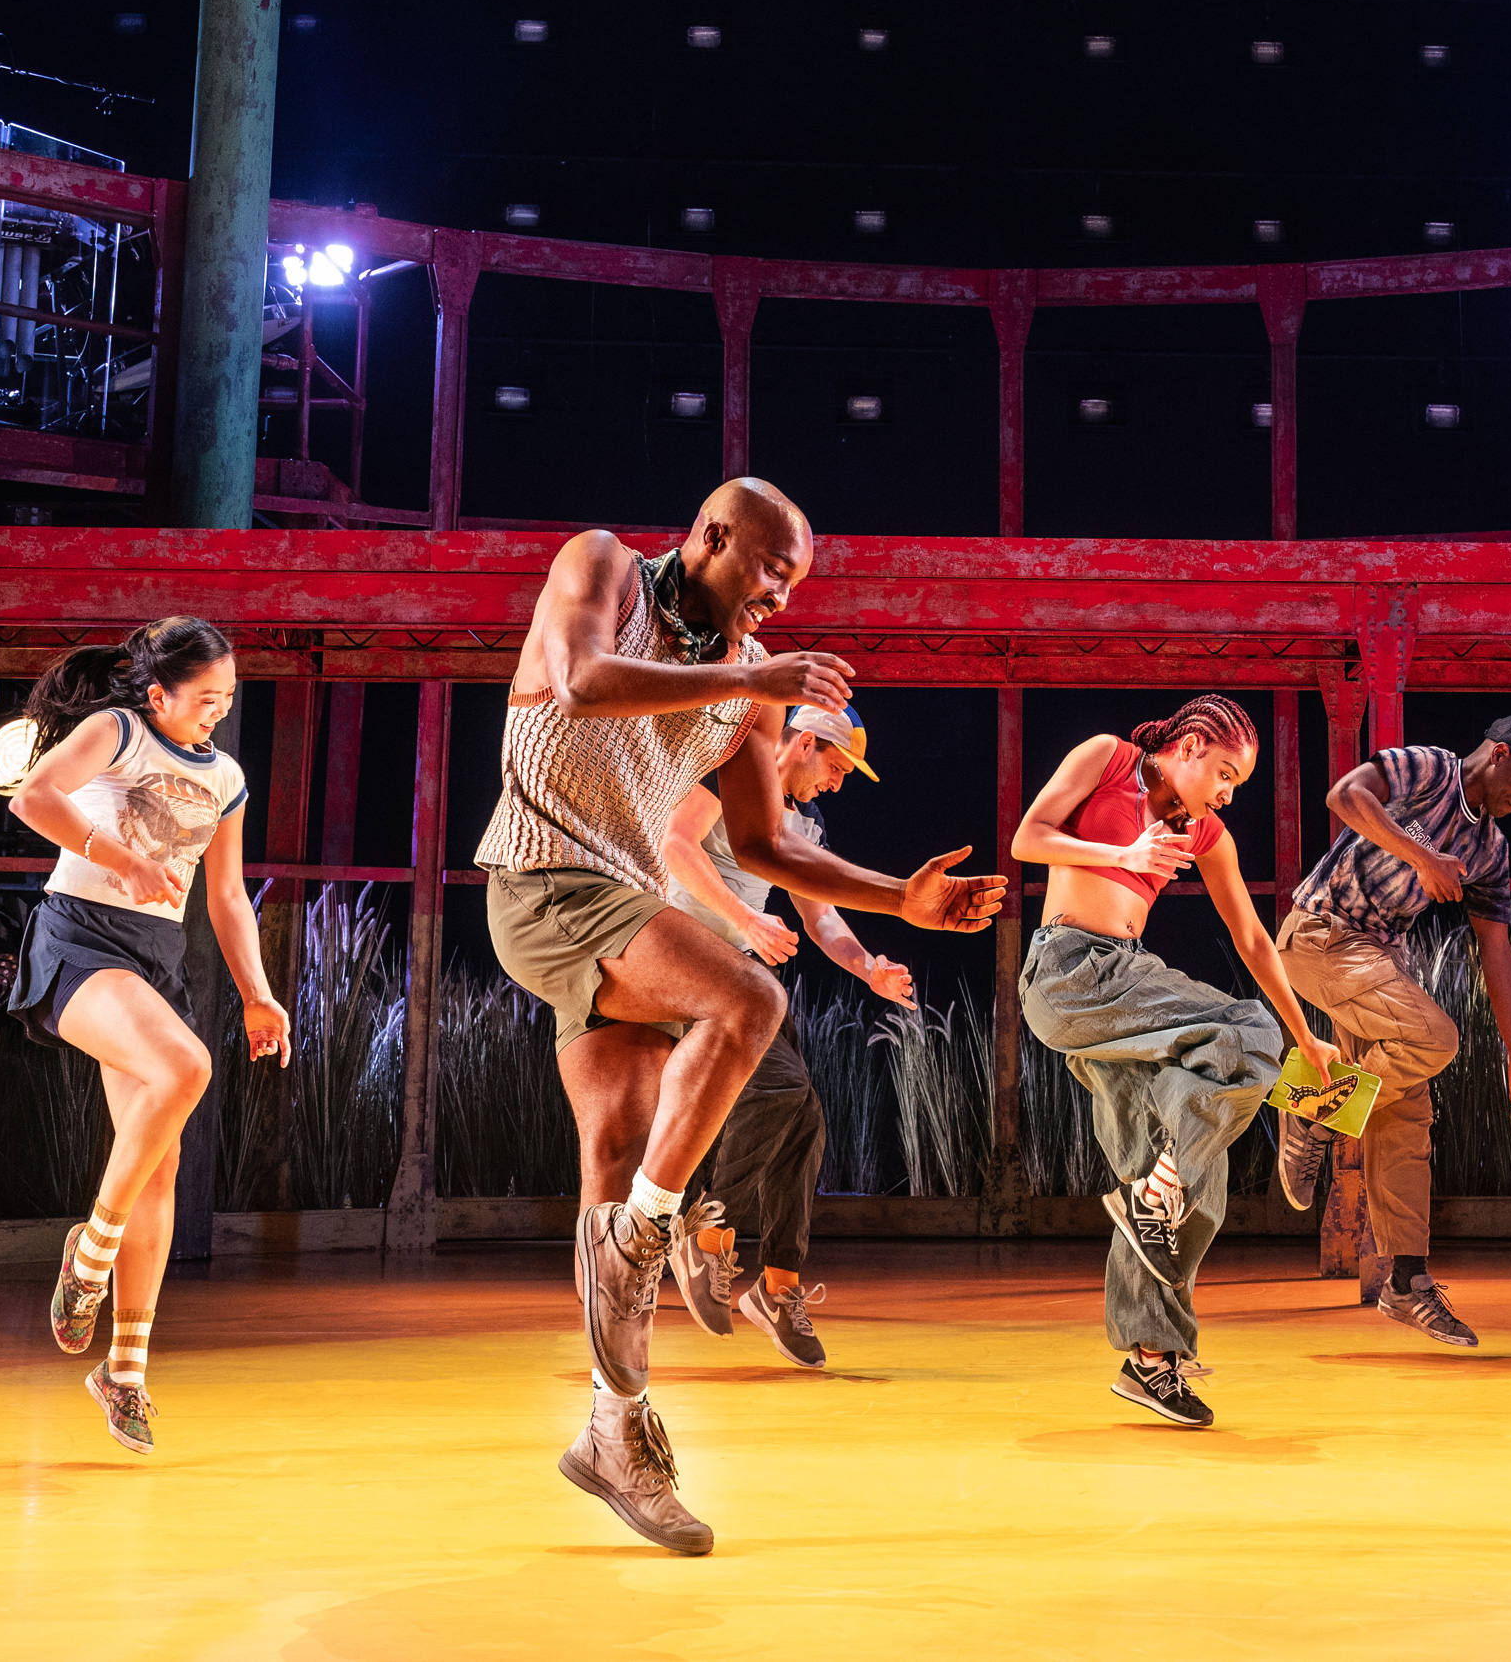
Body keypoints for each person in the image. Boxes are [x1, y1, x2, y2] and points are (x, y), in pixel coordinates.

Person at [475, 477, 1003, 1553]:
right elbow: (575, 681)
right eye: (768, 568)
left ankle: (612, 1429)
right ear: (711, 536)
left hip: (614, 903)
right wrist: (746, 673)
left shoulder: (746, 692)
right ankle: (654, 1233)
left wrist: (896, 893)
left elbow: (768, 847)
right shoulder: (604, 567)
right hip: (540, 880)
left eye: (793, 583)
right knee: (747, 992)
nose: (778, 595)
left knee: (614, 1158)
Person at [1012, 695, 1341, 1429]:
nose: (1228, 793)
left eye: (1238, 784)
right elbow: (1027, 839)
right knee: (1249, 1030)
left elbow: (1256, 942)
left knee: (1191, 1175)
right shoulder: (1108, 757)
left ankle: (1150, 1358)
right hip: (1072, 972)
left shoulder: (1208, 834)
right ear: (1190, 746)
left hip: (1121, 997)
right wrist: (1120, 856)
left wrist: (1310, 1037)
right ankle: (1160, 1189)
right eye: (1224, 772)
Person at [10, 617, 292, 1456]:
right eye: (204, 699)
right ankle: (87, 1253)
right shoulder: (118, 730)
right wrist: (119, 857)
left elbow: (229, 898)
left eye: (228, 700)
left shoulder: (229, 778)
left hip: (156, 955)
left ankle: (123, 1372)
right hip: (80, 936)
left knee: (161, 1158)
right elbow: (33, 797)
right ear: (159, 692)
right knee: (185, 1066)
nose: (218, 712)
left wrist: (259, 994)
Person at [1272, 716, 1511, 1349]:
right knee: (1435, 1040)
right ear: (1498, 753)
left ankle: (1405, 1281)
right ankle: (1313, 1110)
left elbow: (1495, 947)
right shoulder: (1430, 770)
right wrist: (1422, 855)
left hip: (1377, 958)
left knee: (1406, 1108)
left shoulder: (1492, 851)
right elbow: (1345, 795)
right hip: (1320, 933)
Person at [658, 703, 914, 1369]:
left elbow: (819, 914)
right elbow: (675, 846)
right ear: (803, 743)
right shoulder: (726, 770)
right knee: (780, 1086)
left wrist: (868, 966)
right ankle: (707, 1237)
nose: (836, 783)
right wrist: (745, 915)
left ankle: (778, 1287)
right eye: (834, 766)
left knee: (806, 1118)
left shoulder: (805, 822)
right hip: (682, 951)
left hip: (737, 965)